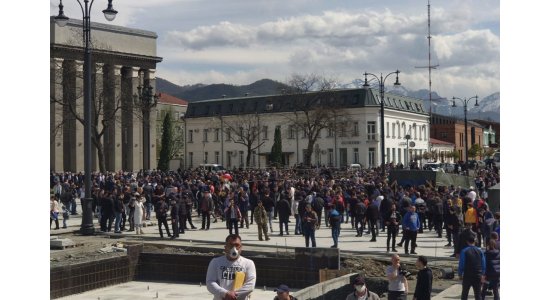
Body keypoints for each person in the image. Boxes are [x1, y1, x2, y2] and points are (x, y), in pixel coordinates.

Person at [206, 234, 257, 300]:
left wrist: (233, 296)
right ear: (225, 247)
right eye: (231, 245)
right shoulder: (215, 262)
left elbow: (250, 285)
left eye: (237, 245)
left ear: (241, 247)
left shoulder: (248, 263)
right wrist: (225, 293)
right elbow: (210, 283)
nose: (234, 248)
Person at [458, 235, 486, 300]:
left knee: (464, 293)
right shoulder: (480, 251)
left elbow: (462, 263)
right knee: (478, 294)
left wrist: (460, 273)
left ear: (467, 242)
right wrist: (483, 274)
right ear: (474, 241)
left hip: (467, 275)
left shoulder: (464, 251)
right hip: (477, 275)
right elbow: (483, 263)